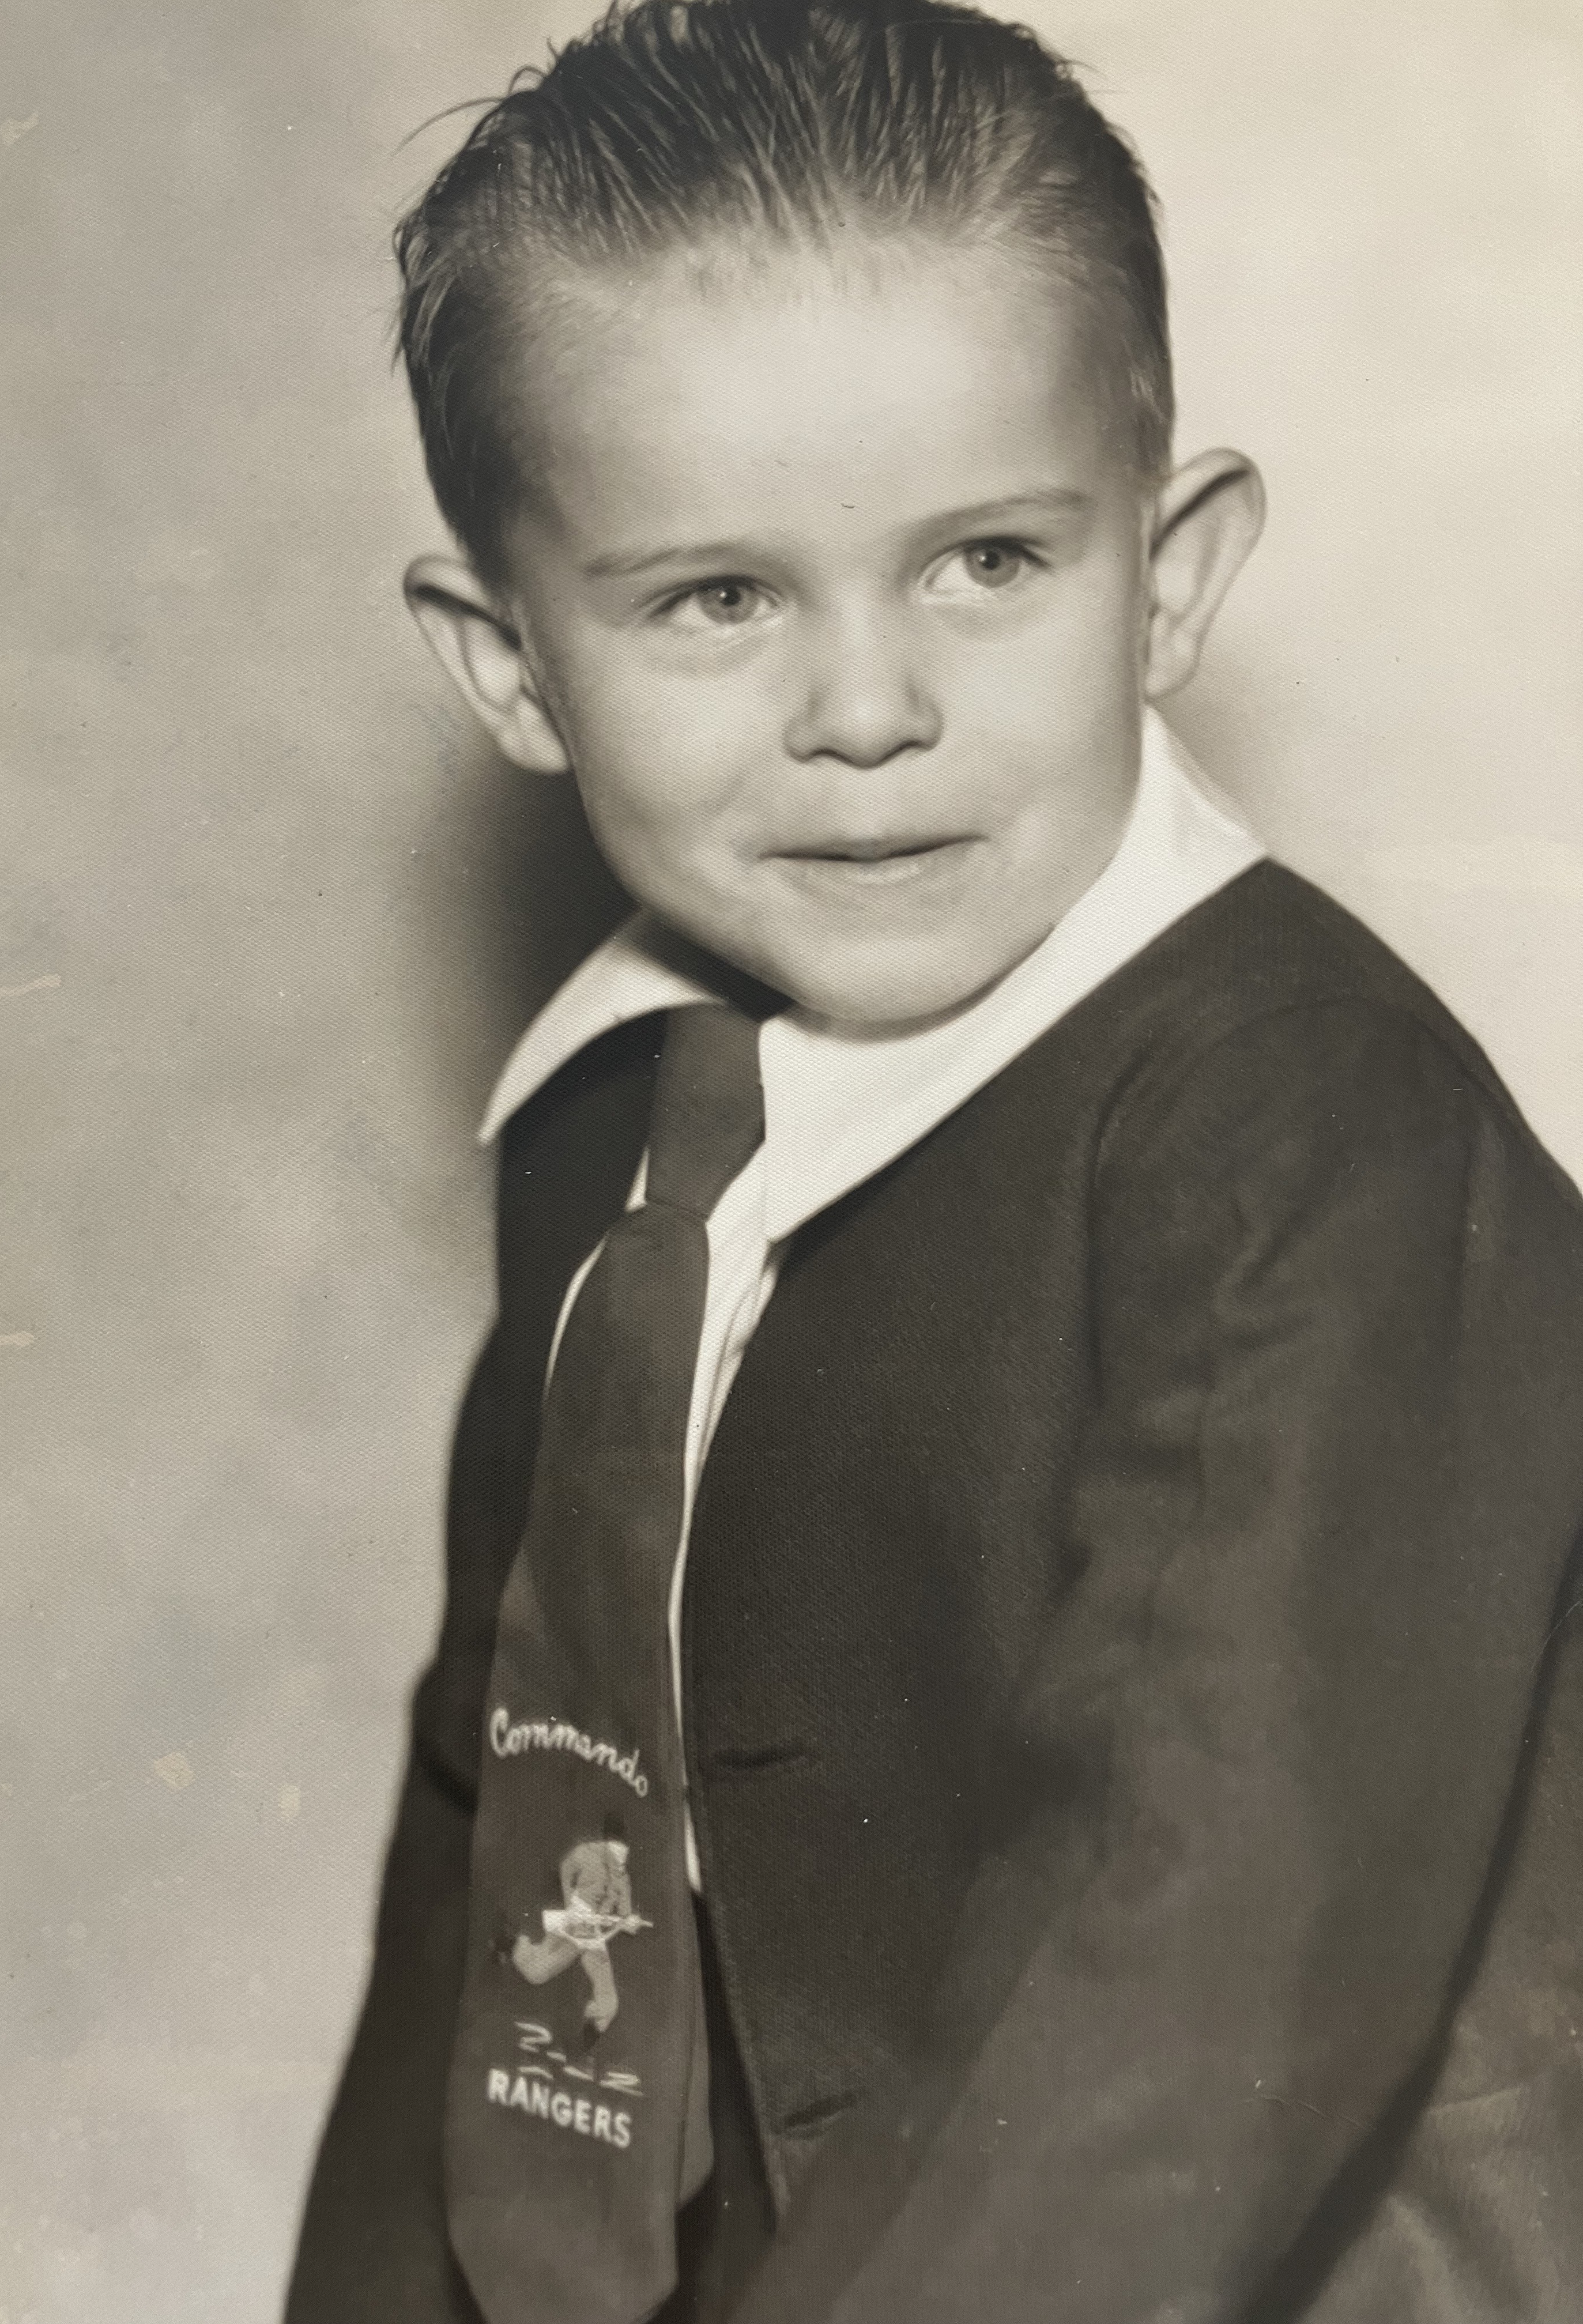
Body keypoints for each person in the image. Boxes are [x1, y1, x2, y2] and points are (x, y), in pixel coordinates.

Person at [285, 4, 1583, 2319]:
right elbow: (500, 1861)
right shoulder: (613, 1141)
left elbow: (1194, 1968)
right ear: (507, 667)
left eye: (987, 561)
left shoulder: (1310, 1139)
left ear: (1168, 576)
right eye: (717, 599)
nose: (868, 710)